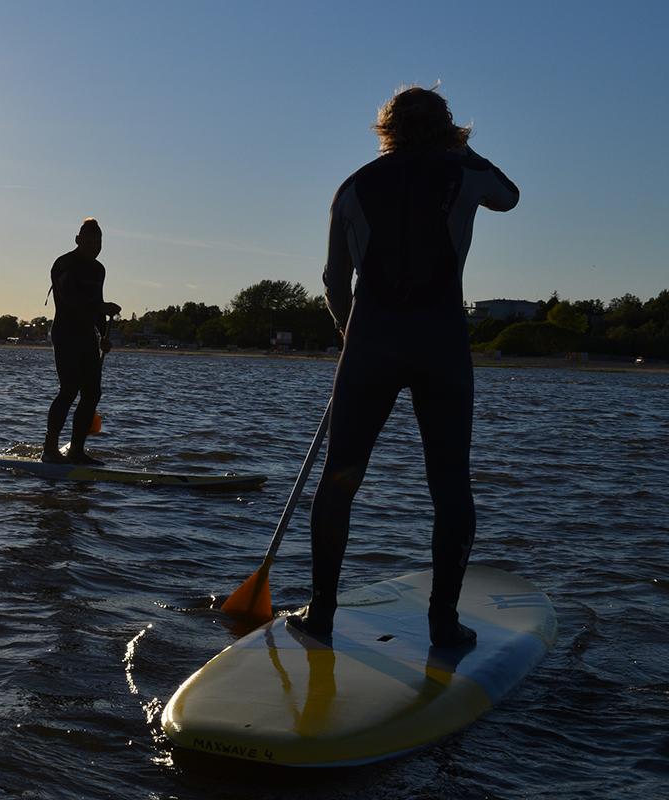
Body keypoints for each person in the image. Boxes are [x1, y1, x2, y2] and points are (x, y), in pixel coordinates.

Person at [289, 86, 519, 648]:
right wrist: (462, 151)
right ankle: (442, 621)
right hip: (440, 346)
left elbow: (332, 281)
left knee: (340, 479)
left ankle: (321, 613)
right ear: (447, 127)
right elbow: (509, 197)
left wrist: (351, 335)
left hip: (371, 346)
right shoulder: (464, 171)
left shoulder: (352, 187)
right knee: (449, 485)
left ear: (385, 129)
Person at [43, 217, 121, 464]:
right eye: (88, 242)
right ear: (78, 240)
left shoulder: (99, 270)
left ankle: (76, 450)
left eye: (98, 243)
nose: (93, 247)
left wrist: (102, 334)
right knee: (68, 390)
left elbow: (96, 306)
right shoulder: (64, 264)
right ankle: (50, 450)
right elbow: (69, 299)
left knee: (92, 393)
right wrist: (100, 306)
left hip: (87, 335)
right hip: (66, 333)